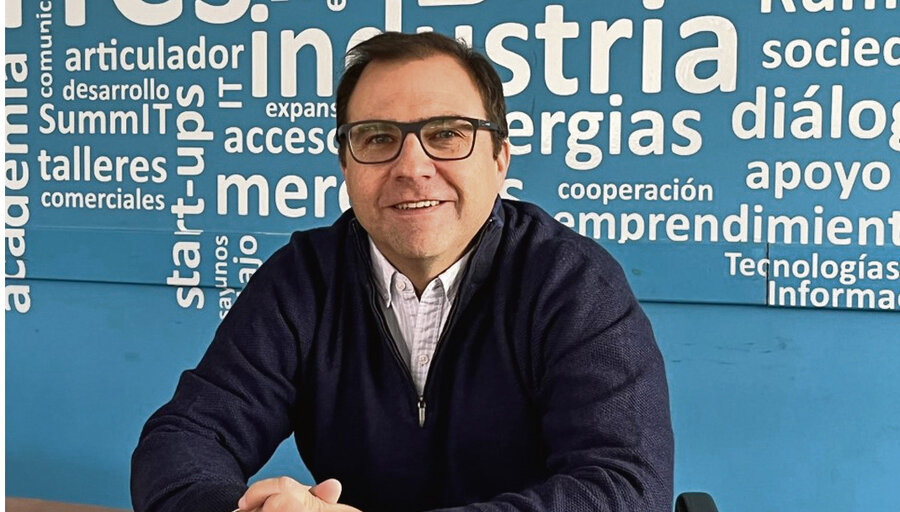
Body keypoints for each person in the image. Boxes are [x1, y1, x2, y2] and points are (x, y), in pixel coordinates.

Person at [131, 31, 674, 512]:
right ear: (346, 164)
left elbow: (626, 489)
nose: (412, 167)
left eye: (447, 134)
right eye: (377, 138)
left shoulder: (572, 283)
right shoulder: (303, 280)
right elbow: (183, 441)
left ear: (499, 158)